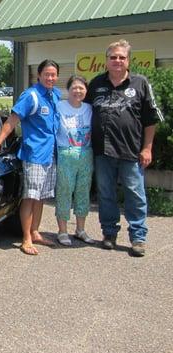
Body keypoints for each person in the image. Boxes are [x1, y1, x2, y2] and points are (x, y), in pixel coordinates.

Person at [85, 39, 163, 257]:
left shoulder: (140, 83)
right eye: (113, 57)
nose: (117, 60)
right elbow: (84, 115)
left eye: (122, 57)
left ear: (128, 60)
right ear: (106, 60)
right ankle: (109, 233)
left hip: (131, 152)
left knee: (135, 194)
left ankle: (138, 237)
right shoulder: (96, 84)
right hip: (102, 152)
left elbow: (151, 120)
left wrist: (147, 149)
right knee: (106, 194)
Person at [0, 59, 61, 255]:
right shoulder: (31, 96)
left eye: (53, 75)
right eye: (47, 74)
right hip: (34, 154)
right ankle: (26, 238)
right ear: (38, 75)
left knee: (41, 197)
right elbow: (12, 120)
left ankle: (35, 232)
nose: (50, 78)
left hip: (50, 154)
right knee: (29, 197)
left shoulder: (55, 95)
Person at [54, 76, 95, 246]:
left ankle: (80, 229)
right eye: (74, 88)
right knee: (64, 191)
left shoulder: (89, 108)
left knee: (83, 191)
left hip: (86, 154)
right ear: (68, 89)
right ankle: (62, 231)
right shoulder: (59, 106)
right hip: (66, 154)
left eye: (81, 88)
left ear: (86, 91)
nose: (78, 91)